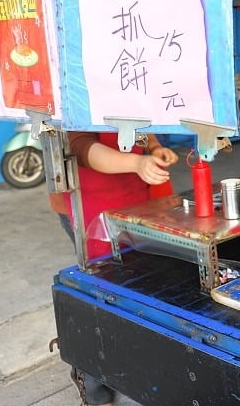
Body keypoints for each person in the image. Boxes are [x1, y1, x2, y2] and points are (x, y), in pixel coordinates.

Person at [49, 130, 178, 406]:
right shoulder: (75, 91)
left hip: (133, 193)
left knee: (138, 283)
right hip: (87, 198)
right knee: (99, 290)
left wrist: (153, 149)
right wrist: (136, 163)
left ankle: (128, 360)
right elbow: (81, 147)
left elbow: (138, 128)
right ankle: (90, 378)